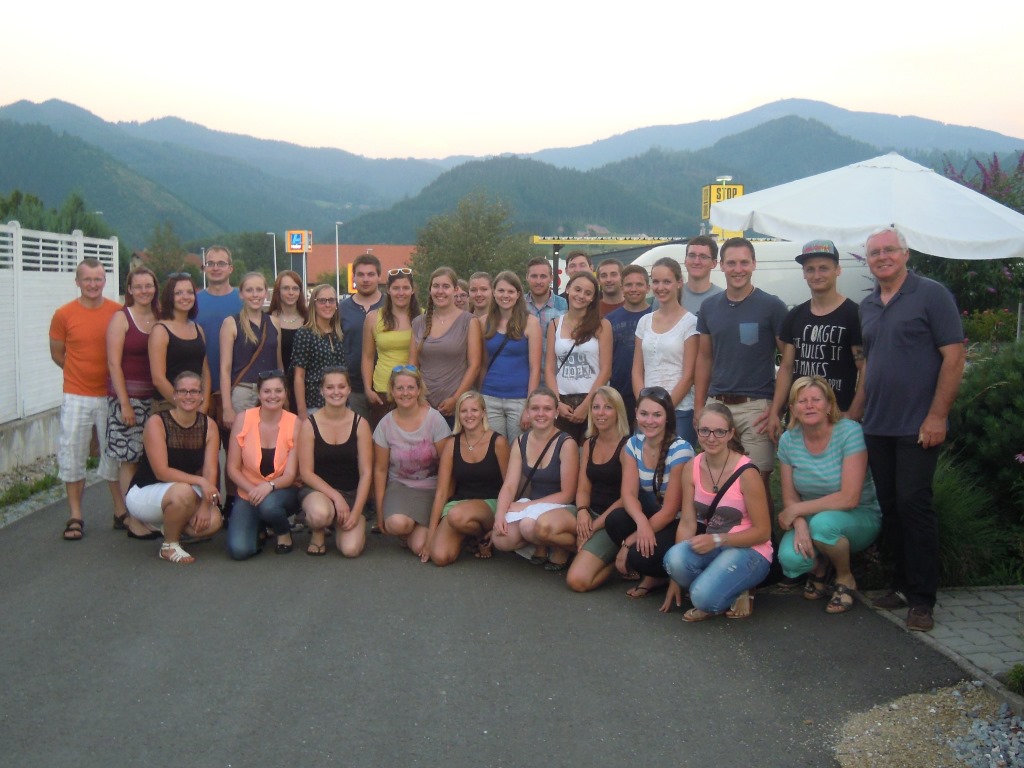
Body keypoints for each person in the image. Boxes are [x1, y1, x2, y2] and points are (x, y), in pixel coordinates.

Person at [859, 227, 965, 632]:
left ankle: (922, 600)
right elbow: (869, 364)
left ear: (905, 254)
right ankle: (901, 585)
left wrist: (937, 416)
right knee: (890, 506)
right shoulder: (868, 304)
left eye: (889, 250)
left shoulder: (931, 295)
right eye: (874, 253)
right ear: (867, 261)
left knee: (913, 504)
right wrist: (854, 414)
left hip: (918, 424)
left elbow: (954, 358)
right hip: (878, 423)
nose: (882, 257)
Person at [694, 237, 787, 509]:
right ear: (721, 265)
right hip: (717, 404)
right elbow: (704, 358)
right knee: (717, 479)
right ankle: (723, 530)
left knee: (756, 481)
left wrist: (777, 410)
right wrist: (700, 406)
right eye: (731, 263)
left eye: (744, 262)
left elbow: (788, 361)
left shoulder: (772, 306)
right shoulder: (709, 307)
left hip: (756, 408)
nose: (738, 269)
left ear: (754, 264)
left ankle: (764, 536)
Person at [776, 377, 881, 614]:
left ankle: (845, 577)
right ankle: (820, 567)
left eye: (816, 400)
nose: (809, 406)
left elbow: (849, 498)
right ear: (792, 409)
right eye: (802, 401)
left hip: (858, 515)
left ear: (829, 405)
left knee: (823, 526)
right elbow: (790, 497)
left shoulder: (850, 432)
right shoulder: (788, 440)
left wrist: (796, 511)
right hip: (812, 517)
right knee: (791, 559)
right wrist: (800, 524)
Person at [660, 402, 772, 621]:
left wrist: (718, 540)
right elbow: (687, 523)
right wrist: (675, 579)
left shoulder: (747, 473)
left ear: (730, 433)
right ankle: (725, 587)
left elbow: (763, 532)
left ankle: (729, 589)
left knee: (701, 598)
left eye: (719, 432)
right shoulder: (692, 467)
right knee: (673, 559)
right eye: (705, 431)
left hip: (750, 550)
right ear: (697, 431)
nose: (711, 438)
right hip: (716, 546)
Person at [49, 257, 124, 539]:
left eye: (98, 279)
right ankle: (75, 515)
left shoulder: (117, 312)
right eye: (87, 279)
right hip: (76, 395)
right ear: (78, 281)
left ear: (105, 281)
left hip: (109, 395)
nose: (93, 284)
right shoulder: (63, 314)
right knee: (72, 453)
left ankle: (120, 511)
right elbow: (58, 353)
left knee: (113, 454)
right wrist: (77, 373)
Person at [768, 239, 865, 440]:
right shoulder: (795, 315)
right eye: (810, 269)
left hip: (838, 420)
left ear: (838, 270)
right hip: (800, 420)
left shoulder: (853, 314)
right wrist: (775, 411)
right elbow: (786, 367)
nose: (817, 275)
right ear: (804, 273)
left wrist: (854, 413)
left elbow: (864, 368)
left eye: (824, 268)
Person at [123, 371, 224, 564]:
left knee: (213, 521)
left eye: (194, 391)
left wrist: (205, 506)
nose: (188, 396)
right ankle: (169, 545)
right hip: (146, 490)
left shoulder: (209, 425)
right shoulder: (157, 422)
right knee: (183, 492)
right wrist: (200, 481)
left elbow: (210, 470)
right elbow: (162, 472)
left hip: (182, 491)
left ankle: (167, 524)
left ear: (202, 396)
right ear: (175, 395)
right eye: (183, 391)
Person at [603, 386, 693, 598]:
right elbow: (628, 495)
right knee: (615, 520)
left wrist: (629, 542)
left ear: (667, 417)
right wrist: (642, 523)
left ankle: (658, 574)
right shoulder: (633, 445)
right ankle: (655, 574)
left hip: (679, 523)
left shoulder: (681, 450)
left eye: (657, 415)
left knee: (637, 555)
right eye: (644, 414)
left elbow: (670, 511)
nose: (649, 421)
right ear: (636, 414)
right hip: (652, 515)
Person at [491, 387, 578, 570]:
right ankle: (542, 544)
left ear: (556, 413)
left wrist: (526, 506)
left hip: (562, 507)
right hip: (534, 506)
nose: (540, 414)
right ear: (528, 412)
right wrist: (499, 515)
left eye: (547, 409)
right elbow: (509, 485)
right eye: (535, 408)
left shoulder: (566, 443)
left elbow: (567, 495)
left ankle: (564, 547)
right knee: (500, 539)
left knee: (528, 526)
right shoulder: (520, 441)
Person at [372, 366, 452, 556]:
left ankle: (418, 530)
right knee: (396, 524)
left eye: (410, 387)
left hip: (432, 487)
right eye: (399, 388)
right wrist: (380, 510)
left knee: (420, 547)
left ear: (419, 390)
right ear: (392, 391)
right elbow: (380, 470)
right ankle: (409, 527)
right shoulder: (385, 424)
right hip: (400, 486)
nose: (405, 393)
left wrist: (445, 498)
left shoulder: (435, 420)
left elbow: (448, 466)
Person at [424, 391, 510, 566]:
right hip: (459, 505)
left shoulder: (498, 442)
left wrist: (506, 519)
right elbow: (441, 493)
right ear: (458, 415)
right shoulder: (451, 444)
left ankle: (482, 536)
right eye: (464, 411)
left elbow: (510, 486)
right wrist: (430, 536)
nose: (469, 415)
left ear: (483, 413)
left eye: (474, 410)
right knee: (439, 557)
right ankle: (473, 536)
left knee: (457, 516)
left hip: (490, 504)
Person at [225, 370, 301, 560]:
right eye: (267, 391)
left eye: (278, 391)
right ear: (259, 394)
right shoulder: (243, 419)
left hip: (282, 490)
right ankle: (259, 526)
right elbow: (232, 468)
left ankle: (283, 532)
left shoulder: (295, 423)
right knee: (239, 550)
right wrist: (253, 490)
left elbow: (290, 475)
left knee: (269, 506)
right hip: (248, 491)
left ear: (286, 393)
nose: (273, 396)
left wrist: (269, 486)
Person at [298, 367, 373, 557]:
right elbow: (306, 473)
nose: (336, 392)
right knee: (320, 514)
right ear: (321, 391)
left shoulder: (361, 424)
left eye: (341, 386)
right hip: (318, 492)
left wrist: (356, 511)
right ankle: (318, 531)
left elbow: (366, 473)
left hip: (350, 493)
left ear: (349, 389)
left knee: (351, 550)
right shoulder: (309, 425)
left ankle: (343, 522)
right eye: (330, 387)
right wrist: (336, 497)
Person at [565, 387, 632, 593]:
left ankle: (620, 562)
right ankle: (587, 551)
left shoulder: (628, 446)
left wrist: (593, 527)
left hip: (613, 520)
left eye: (608, 407)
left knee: (577, 581)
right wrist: (582, 511)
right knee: (543, 527)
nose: (600, 413)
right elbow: (583, 488)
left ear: (618, 412)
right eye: (596, 407)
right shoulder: (589, 443)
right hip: (590, 512)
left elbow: (626, 498)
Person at [105, 266, 160, 505]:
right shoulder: (121, 318)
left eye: (148, 285)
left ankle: (146, 509)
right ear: (129, 289)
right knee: (130, 457)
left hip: (155, 399)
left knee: (151, 457)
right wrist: (125, 404)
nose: (144, 291)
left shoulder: (160, 316)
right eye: (138, 287)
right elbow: (113, 364)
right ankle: (131, 514)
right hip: (128, 399)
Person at [633, 257, 700, 447]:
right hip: (647, 413)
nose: (660, 287)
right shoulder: (644, 322)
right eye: (656, 281)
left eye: (667, 281)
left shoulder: (690, 323)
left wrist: (664, 408)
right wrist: (644, 406)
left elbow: (689, 375)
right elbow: (637, 370)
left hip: (679, 410)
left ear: (679, 283)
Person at [409, 267, 482, 425]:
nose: (440, 291)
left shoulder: (469, 321)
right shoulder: (418, 323)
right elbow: (412, 365)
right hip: (424, 405)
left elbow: (475, 365)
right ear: (430, 290)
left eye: (446, 286)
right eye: (436, 286)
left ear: (455, 290)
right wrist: (418, 397)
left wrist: (455, 399)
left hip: (457, 406)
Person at [545, 271, 611, 444]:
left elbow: (606, 370)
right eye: (578, 289)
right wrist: (557, 402)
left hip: (595, 400)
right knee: (563, 453)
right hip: (563, 401)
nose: (581, 296)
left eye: (588, 293)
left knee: (593, 453)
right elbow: (549, 369)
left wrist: (587, 405)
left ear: (593, 298)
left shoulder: (602, 325)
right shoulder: (555, 325)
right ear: (568, 289)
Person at [479, 271, 542, 443]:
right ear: (494, 292)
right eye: (501, 291)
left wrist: (530, 405)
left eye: (510, 291)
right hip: (490, 396)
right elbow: (482, 364)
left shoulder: (530, 323)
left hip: (519, 398)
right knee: (495, 448)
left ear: (518, 294)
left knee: (519, 448)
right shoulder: (483, 322)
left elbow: (535, 368)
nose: (505, 295)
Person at [219, 272, 280, 430]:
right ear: (241, 294)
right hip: (244, 392)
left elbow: (278, 363)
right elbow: (225, 369)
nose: (255, 295)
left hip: (271, 394)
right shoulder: (231, 323)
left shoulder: (274, 322)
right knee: (244, 440)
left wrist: (283, 392)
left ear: (266, 293)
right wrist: (227, 407)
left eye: (259, 290)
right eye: (249, 290)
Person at [362, 268, 420, 427]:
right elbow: (367, 356)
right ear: (388, 290)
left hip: (412, 390)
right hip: (383, 389)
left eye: (405, 288)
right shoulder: (373, 318)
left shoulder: (423, 318)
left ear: (413, 290)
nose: (401, 293)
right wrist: (368, 389)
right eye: (396, 288)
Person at [195, 245, 242, 436]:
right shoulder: (193, 301)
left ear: (231, 268)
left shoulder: (243, 300)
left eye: (221, 263)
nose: (215, 268)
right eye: (210, 263)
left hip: (235, 391)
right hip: (199, 391)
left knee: (237, 449)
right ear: (204, 268)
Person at [149, 273, 212, 413]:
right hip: (167, 404)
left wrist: (204, 403)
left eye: (190, 292)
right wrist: (184, 405)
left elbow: (205, 371)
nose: (185, 297)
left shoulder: (198, 329)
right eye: (178, 293)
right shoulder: (160, 330)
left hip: (196, 407)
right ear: (169, 297)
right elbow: (158, 379)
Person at [604, 265, 652, 428]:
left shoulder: (655, 316)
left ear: (648, 287)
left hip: (649, 390)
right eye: (629, 285)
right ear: (622, 288)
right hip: (618, 392)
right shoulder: (609, 320)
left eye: (639, 284)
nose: (634, 289)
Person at [339, 253, 385, 420]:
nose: (366, 279)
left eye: (371, 274)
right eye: (361, 274)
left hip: (386, 386)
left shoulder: (391, 306)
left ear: (379, 276)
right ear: (354, 277)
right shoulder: (342, 309)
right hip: (353, 388)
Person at [291, 283, 345, 422]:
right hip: (315, 405)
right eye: (322, 301)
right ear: (313, 305)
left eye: (331, 300)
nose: (327, 305)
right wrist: (302, 412)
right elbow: (299, 376)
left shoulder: (339, 333)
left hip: (340, 403)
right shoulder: (305, 334)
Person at [268, 270, 308, 411]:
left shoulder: (309, 320)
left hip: (306, 388)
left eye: (295, 288)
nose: (291, 293)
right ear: (278, 291)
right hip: (276, 388)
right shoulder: (267, 320)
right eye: (286, 288)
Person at [524, 256, 567, 362]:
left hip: (554, 369)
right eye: (534, 276)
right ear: (527, 277)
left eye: (543, 276)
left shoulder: (563, 305)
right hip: (524, 369)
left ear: (551, 278)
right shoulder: (518, 305)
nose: (538, 281)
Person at [681, 235, 723, 315]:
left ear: (714, 263)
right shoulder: (672, 296)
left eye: (703, 257)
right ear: (685, 261)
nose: (696, 262)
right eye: (692, 256)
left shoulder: (723, 299)